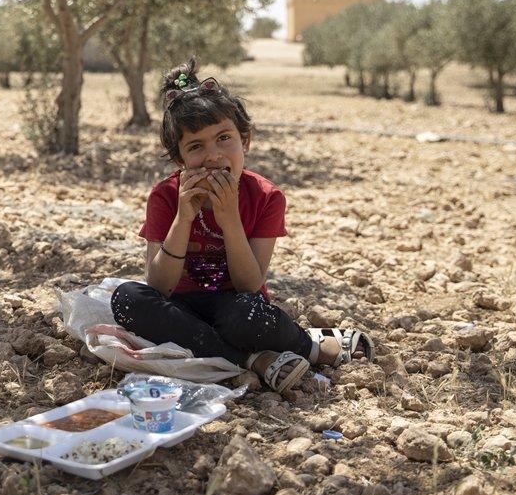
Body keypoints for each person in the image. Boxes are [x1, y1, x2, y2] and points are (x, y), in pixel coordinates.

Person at [110, 60, 374, 393]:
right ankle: (254, 360)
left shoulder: (265, 197)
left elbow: (250, 284)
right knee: (126, 298)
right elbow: (159, 285)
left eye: (224, 138)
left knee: (246, 317)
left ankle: (310, 347)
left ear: (245, 141)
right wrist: (184, 217)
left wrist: (229, 218)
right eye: (196, 146)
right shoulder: (165, 196)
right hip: (181, 307)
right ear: (179, 160)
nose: (213, 155)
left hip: (237, 304)